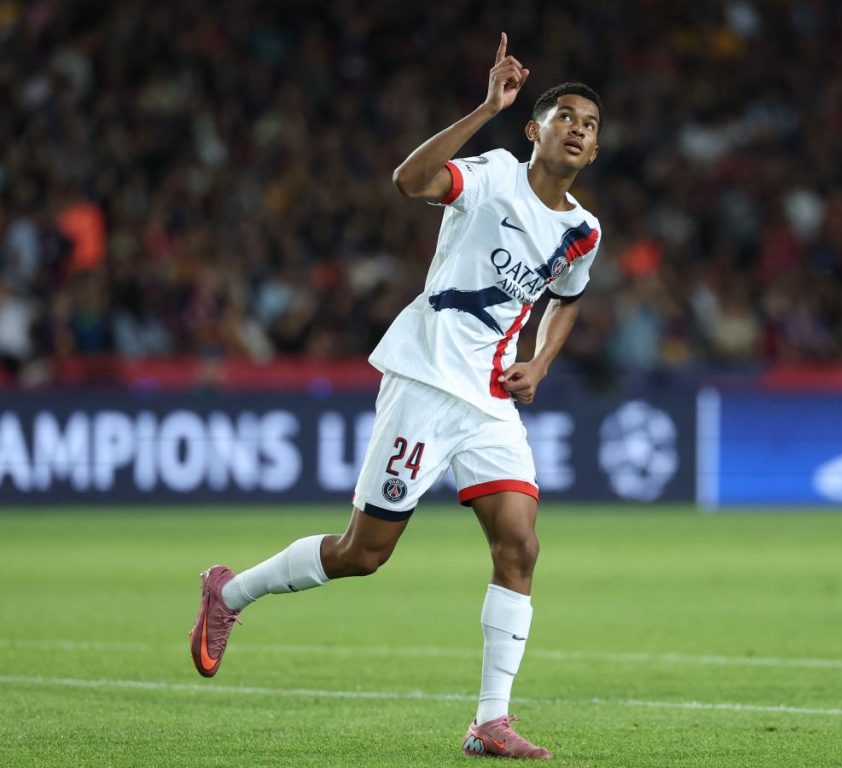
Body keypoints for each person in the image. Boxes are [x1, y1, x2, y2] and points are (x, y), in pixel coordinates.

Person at [189, 33, 602, 761]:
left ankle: (490, 721)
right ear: (536, 130)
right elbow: (410, 181)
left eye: (591, 125)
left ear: (594, 151)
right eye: (566, 116)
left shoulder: (583, 232)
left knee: (520, 546)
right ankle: (227, 595)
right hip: (424, 380)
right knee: (363, 553)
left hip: (488, 403)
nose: (578, 129)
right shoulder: (493, 175)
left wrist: (540, 359)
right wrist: (486, 106)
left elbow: (567, 299)